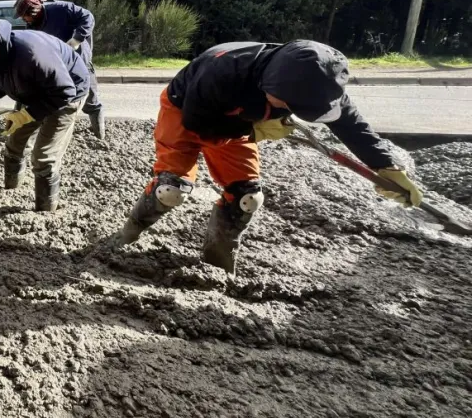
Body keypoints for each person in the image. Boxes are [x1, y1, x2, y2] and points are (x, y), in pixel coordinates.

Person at [120, 40, 422, 275]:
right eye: (291, 106)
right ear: (271, 86)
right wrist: (253, 130)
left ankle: (217, 265)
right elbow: (199, 125)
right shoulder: (223, 72)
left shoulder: (316, 79)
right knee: (170, 190)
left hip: (238, 122)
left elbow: (350, 124)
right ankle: (127, 235)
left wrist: (386, 166)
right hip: (185, 110)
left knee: (247, 198)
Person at [0, 19, 89, 212]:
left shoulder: (32, 56)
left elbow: (64, 91)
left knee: (44, 156)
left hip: (67, 94)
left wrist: (26, 115)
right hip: (36, 90)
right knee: (15, 141)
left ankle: (45, 210)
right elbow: (4, 80)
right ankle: (11, 188)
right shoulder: (1, 51)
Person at [15, 0, 105, 139]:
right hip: (56, 60)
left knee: (89, 95)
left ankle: (100, 134)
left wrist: (77, 39)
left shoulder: (62, 9)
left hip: (78, 58)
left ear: (34, 12)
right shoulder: (32, 24)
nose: (23, 20)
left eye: (25, 16)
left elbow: (88, 17)